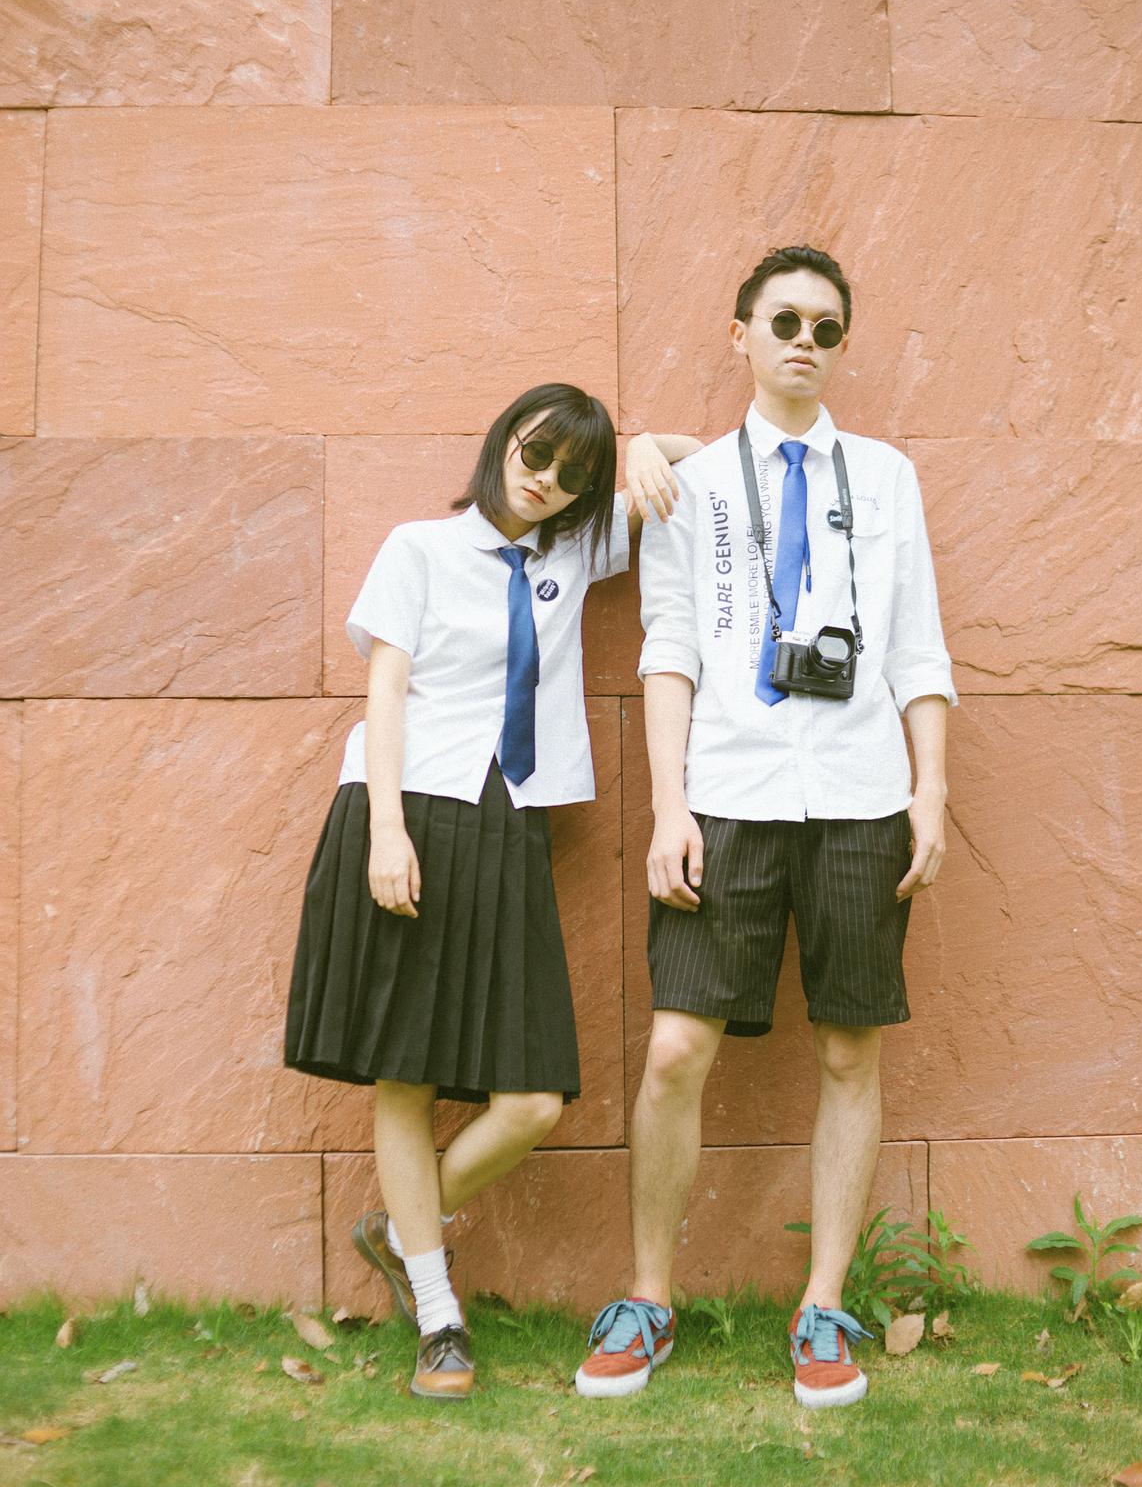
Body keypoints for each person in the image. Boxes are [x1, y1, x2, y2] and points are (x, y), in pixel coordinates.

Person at [576, 247, 956, 1408]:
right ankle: (648, 1298)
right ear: (738, 333)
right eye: (784, 320)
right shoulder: (690, 483)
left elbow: (916, 648)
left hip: (858, 795)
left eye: (826, 327)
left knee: (848, 1051)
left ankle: (823, 1306)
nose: (805, 341)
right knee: (674, 1051)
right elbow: (670, 648)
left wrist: (929, 791)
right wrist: (669, 807)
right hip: (728, 797)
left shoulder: (884, 478)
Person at [284, 383, 698, 1400]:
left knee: (533, 1100)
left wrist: (646, 443)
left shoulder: (574, 553)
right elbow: (386, 690)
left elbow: (718, 455)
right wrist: (387, 831)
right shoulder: (419, 548)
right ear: (503, 441)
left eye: (571, 472)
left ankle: (403, 1228)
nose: (545, 478)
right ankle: (438, 1317)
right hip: (410, 810)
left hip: (511, 823)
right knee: (407, 1075)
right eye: (534, 452)